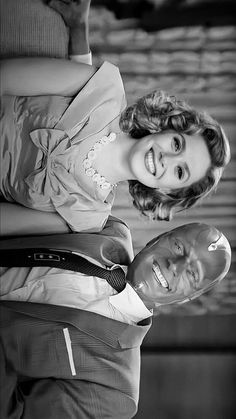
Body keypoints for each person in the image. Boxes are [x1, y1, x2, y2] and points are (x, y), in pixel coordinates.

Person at [0, 0, 230, 236]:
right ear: (166, 127)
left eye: (180, 172)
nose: (167, 158)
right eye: (176, 144)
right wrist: (79, 28)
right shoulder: (105, 91)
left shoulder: (88, 218)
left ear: (169, 191)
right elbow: (3, 77)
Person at [0, 218, 231, 418]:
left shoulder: (116, 394)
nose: (175, 265)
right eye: (179, 247)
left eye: (191, 274)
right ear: (158, 238)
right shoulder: (109, 229)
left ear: (190, 297)